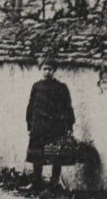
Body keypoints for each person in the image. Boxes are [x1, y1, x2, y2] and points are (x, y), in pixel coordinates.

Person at [25, 56, 75, 189]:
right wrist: (30, 124)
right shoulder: (36, 87)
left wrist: (69, 125)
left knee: (55, 155)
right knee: (37, 155)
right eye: (45, 69)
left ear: (55, 71)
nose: (47, 72)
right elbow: (31, 106)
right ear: (41, 70)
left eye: (50, 69)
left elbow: (67, 107)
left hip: (55, 127)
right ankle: (36, 181)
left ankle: (54, 182)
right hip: (39, 127)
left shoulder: (61, 87)